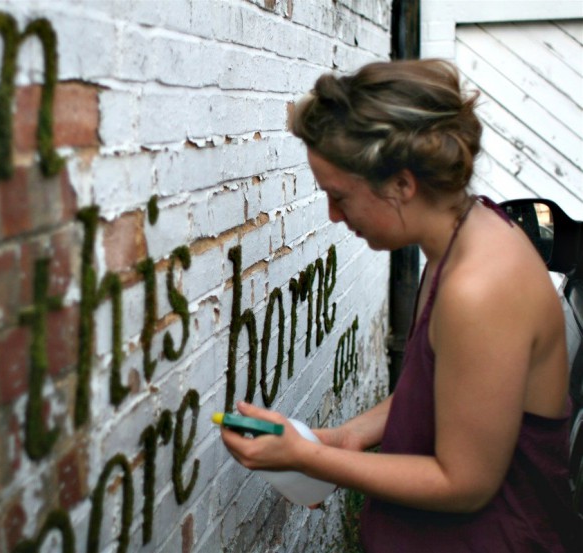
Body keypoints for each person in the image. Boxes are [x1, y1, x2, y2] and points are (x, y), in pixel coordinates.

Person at [219, 59, 582, 551]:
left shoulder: (480, 289)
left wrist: (306, 459)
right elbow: (447, 388)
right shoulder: (459, 239)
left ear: (402, 185)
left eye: (339, 196)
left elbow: (464, 485)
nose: (332, 215)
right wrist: (347, 436)